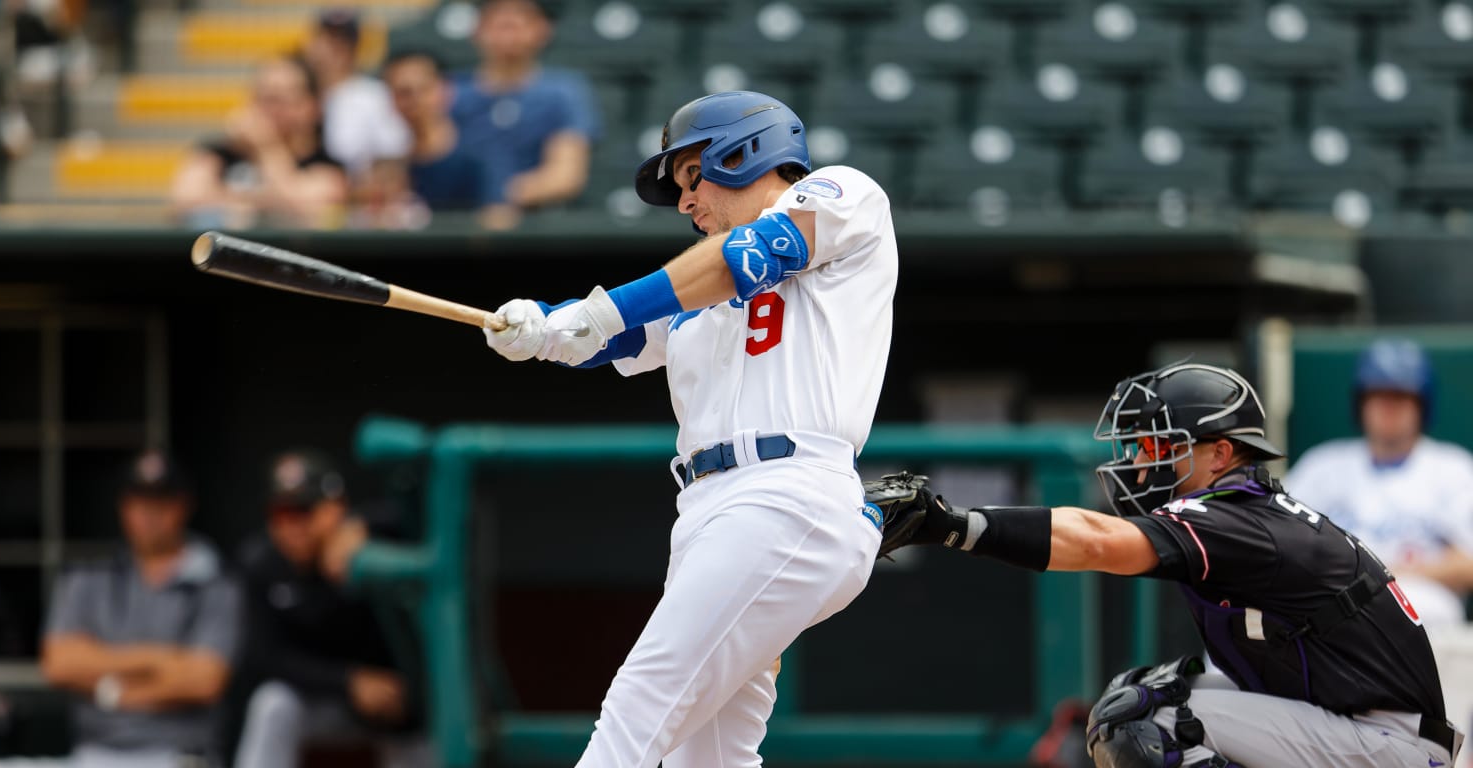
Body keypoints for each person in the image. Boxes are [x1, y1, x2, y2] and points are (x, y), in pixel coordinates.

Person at [482, 90, 896, 767]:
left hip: (787, 495)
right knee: (706, 758)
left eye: (692, 178)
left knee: (636, 715)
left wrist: (599, 313)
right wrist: (540, 325)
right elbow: (608, 336)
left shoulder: (841, 195)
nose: (684, 203)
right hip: (708, 512)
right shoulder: (696, 295)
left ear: (745, 152)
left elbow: (737, 260)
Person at [874, 362, 1461, 767]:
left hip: (1388, 744)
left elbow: (1098, 542)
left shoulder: (1239, 518)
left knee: (1145, 722)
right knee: (1146, 693)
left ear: (1222, 453)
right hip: (1362, 728)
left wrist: (954, 526)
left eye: (1160, 445)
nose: (1139, 460)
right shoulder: (1246, 509)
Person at [40, 449, 240, 768]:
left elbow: (204, 681)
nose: (150, 514)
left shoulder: (215, 581)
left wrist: (110, 689)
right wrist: (160, 659)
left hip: (183, 756)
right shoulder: (92, 575)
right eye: (140, 502)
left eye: (161, 502)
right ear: (124, 507)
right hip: (95, 754)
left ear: (184, 506)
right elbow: (59, 663)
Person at [231, 450, 431, 768]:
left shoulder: (372, 543)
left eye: (303, 511)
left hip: (393, 700)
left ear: (335, 508)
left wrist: (363, 524)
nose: (290, 526)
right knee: (272, 703)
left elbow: (422, 515)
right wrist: (348, 682)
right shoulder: (262, 563)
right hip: (325, 695)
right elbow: (265, 656)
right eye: (279, 514)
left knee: (421, 721)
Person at [1286, 338, 1473, 628]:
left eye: (1399, 397)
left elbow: (1469, 565)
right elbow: (1278, 540)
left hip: (1420, 603)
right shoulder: (1322, 466)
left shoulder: (1453, 470)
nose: (1388, 408)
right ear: (1361, 403)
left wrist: (1385, 573)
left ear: (1421, 404)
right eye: (1378, 396)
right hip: (1328, 600)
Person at [452, 0, 598, 226]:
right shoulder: (451, 94)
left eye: (520, 24)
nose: (509, 34)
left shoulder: (563, 93)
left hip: (536, 226)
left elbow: (566, 174)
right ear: (477, 30)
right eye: (500, 24)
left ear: (543, 30)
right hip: (455, 221)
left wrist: (505, 198)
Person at [170, 56, 347, 229]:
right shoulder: (218, 153)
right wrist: (264, 201)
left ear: (311, 106)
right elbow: (184, 199)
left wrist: (266, 148)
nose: (267, 109)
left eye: (278, 99)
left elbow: (304, 207)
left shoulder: (327, 167)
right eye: (261, 97)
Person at [301, 9, 410, 179]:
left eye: (340, 42)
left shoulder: (375, 96)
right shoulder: (300, 92)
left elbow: (394, 153)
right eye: (326, 39)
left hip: (358, 193)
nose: (331, 49)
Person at [381, 49, 488, 213]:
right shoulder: (388, 161)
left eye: (424, 90)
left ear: (445, 90)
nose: (415, 101)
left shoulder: (478, 155)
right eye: (404, 93)